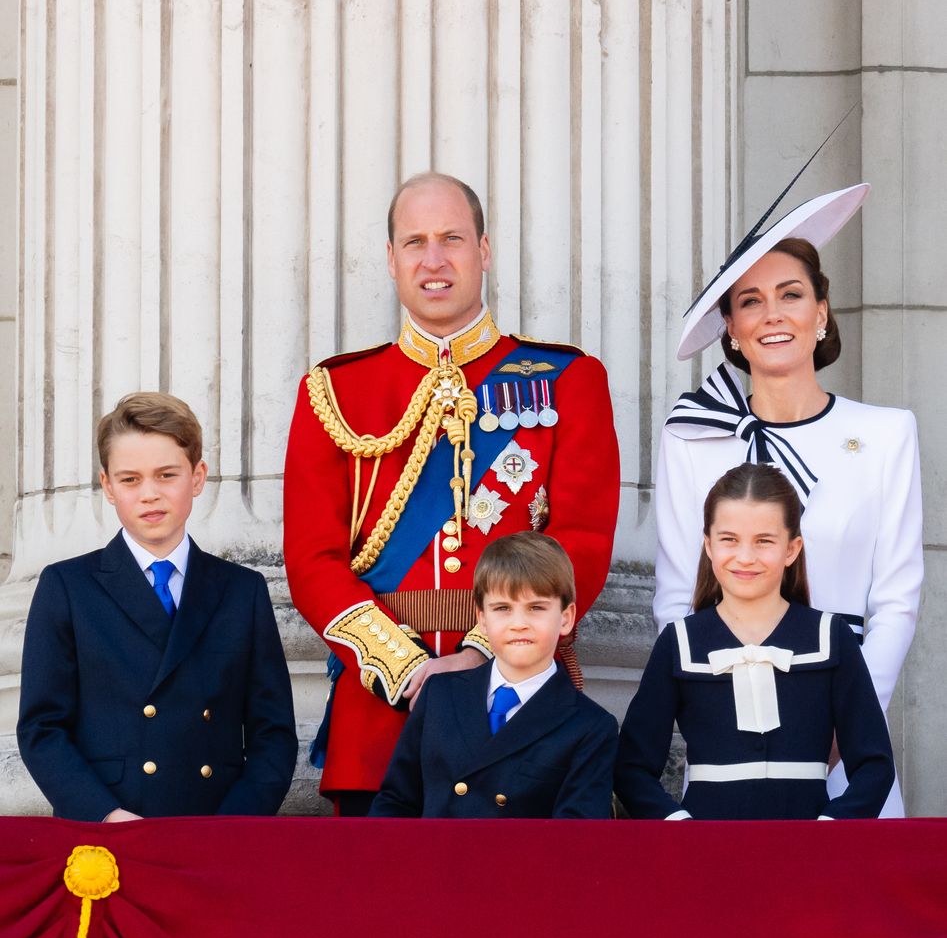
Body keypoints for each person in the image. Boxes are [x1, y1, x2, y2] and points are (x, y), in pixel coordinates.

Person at [283, 172, 620, 815]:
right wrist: (407, 673)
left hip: (518, 717)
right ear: (390, 259)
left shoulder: (568, 380)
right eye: (414, 242)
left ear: (484, 251)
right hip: (380, 725)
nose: (433, 260)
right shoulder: (334, 392)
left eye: (452, 239)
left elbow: (581, 539)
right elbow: (311, 560)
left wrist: (479, 654)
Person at [654, 184, 922, 817]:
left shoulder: (887, 434)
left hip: (844, 733)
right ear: (732, 330)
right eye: (751, 301)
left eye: (791, 295)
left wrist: (843, 722)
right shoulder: (693, 438)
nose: (773, 314)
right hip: (725, 726)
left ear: (822, 312)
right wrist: (712, 713)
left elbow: (896, 601)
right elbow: (673, 598)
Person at [17, 393, 298, 821]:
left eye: (167, 475)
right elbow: (42, 728)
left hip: (216, 831)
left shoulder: (243, 591)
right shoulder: (67, 587)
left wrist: (234, 826)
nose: (149, 494)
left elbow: (272, 733)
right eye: (130, 479)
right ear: (108, 486)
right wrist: (106, 815)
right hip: (107, 832)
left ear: (197, 477)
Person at [617, 463, 894, 820]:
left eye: (764, 541)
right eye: (729, 539)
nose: (745, 557)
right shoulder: (680, 641)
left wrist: (831, 830)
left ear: (792, 549)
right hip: (707, 852)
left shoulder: (830, 636)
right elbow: (632, 767)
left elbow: (875, 764)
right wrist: (678, 826)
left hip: (808, 852)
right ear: (709, 545)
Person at [370, 532, 618, 818]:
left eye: (536, 608)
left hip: (522, 863)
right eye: (503, 609)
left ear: (566, 618)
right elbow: (395, 804)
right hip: (431, 861)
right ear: (482, 619)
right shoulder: (438, 695)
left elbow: (575, 842)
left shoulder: (590, 726)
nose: (518, 624)